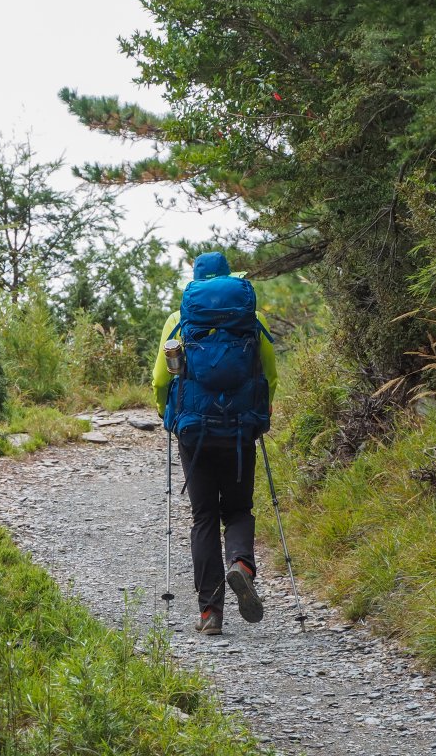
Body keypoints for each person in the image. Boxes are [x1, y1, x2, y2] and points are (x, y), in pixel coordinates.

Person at [151, 252, 278, 635]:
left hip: (195, 430)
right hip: (240, 429)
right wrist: (261, 416)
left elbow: (161, 379)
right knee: (239, 509)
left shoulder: (180, 319)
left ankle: (210, 613)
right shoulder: (251, 318)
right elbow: (269, 374)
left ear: (195, 282)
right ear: (230, 278)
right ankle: (241, 564)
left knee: (204, 517)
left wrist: (166, 416)